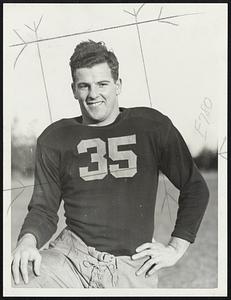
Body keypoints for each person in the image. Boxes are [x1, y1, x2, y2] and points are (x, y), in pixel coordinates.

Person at [11, 40, 209, 288]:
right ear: (73, 89)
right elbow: (44, 208)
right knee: (16, 280)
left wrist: (176, 248)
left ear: (118, 85)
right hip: (70, 259)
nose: (93, 94)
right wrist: (27, 243)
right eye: (84, 86)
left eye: (102, 84)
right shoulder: (56, 137)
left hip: (132, 266)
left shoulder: (150, 126)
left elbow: (195, 187)